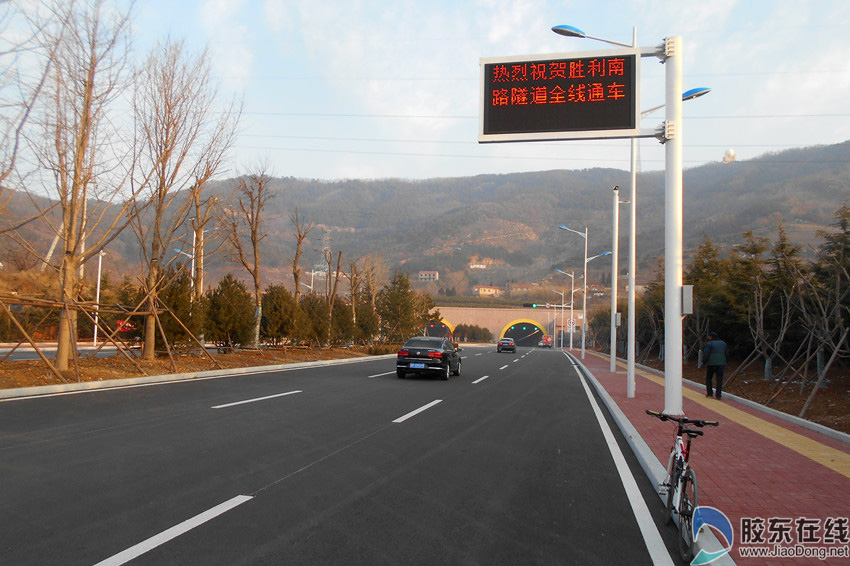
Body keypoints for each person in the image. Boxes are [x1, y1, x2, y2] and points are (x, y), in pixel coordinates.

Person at [703, 331, 728, 399]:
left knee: (709, 378)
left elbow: (706, 354)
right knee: (719, 379)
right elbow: (726, 353)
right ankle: (718, 395)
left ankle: (710, 393)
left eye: (709, 336)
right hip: (721, 363)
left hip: (711, 363)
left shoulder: (709, 343)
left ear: (711, 337)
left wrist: (704, 362)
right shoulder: (723, 343)